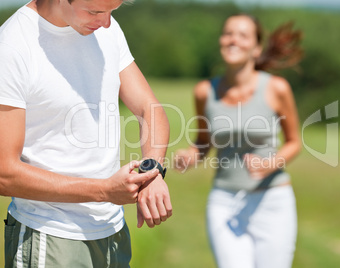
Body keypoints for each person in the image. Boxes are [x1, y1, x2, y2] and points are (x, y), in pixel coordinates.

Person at [0, 0, 172, 266]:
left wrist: (153, 171)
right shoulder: (12, 46)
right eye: (94, 11)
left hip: (112, 232)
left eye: (112, 11)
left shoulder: (106, 28)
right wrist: (103, 190)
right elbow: (4, 173)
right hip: (50, 236)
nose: (105, 22)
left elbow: (150, 109)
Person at [174, 14, 303, 268]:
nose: (233, 40)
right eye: (228, 33)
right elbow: (203, 141)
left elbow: (294, 142)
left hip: (272, 201)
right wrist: (190, 155)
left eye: (243, 35)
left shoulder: (277, 88)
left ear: (256, 48)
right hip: (224, 201)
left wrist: (271, 163)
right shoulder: (204, 92)